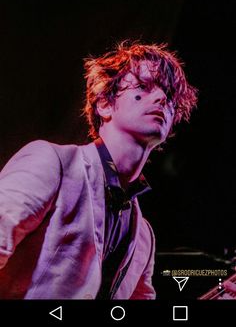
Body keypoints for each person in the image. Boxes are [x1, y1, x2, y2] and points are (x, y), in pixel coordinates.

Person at [0, 41, 197, 299]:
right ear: (104, 104)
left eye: (169, 96)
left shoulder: (144, 237)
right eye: (143, 87)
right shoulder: (52, 162)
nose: (161, 98)